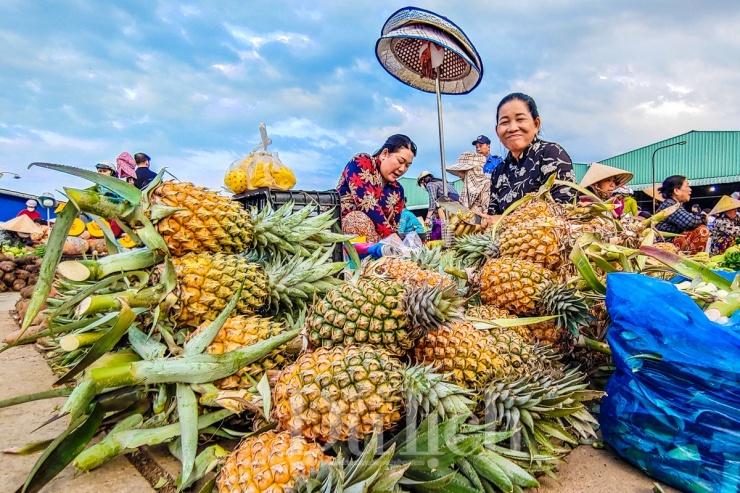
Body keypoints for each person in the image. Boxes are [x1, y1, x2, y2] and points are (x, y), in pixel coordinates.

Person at [481, 93, 577, 227]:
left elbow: (564, 211)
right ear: (497, 131)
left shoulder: (551, 154)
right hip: (507, 244)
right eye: (504, 122)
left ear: (536, 124)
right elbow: (493, 216)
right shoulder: (499, 171)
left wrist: (505, 221)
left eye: (520, 119)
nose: (512, 128)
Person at [337, 134, 416, 243]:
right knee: (357, 219)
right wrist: (392, 238)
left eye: (407, 165)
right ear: (385, 154)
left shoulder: (398, 190)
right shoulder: (361, 162)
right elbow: (366, 202)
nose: (402, 169)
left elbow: (394, 225)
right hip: (343, 237)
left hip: (380, 243)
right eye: (400, 161)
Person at [655, 175, 709, 254]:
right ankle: (693, 259)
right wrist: (704, 217)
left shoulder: (673, 204)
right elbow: (690, 222)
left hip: (669, 243)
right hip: (665, 245)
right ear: (676, 190)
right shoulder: (670, 205)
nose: (690, 190)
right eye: (687, 186)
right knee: (701, 230)